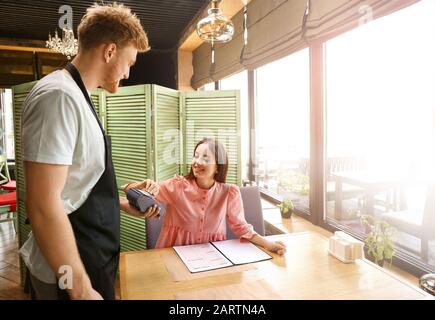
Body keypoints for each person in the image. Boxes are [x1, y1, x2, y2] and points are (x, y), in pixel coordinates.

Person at [20, 3, 159, 300]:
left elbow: (73, 187)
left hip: (91, 259)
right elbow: (43, 205)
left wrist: (121, 204)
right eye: (130, 63)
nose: (127, 74)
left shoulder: (78, 95)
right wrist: (81, 289)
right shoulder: (58, 97)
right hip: (65, 275)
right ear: (109, 52)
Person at [123, 138, 286, 255]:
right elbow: (128, 190)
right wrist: (139, 185)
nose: (196, 162)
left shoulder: (229, 193)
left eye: (205, 158)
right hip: (173, 254)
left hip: (212, 256)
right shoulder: (178, 185)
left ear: (217, 167)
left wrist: (269, 244)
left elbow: (242, 227)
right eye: (196, 155)